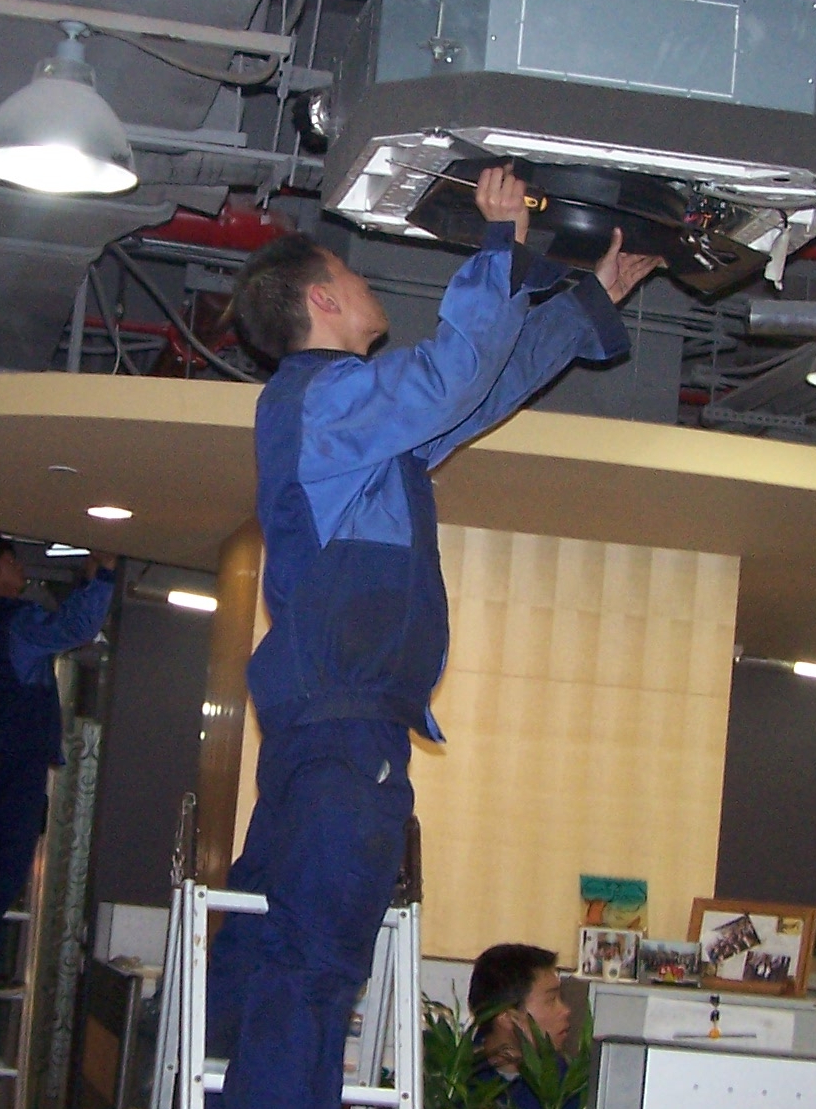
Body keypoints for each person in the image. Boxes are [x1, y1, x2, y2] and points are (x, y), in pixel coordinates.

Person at [205, 167, 661, 1106]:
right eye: (353, 275)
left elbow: (474, 392)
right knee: (316, 968)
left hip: (325, 734)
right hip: (344, 736)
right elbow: (453, 371)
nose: (370, 284)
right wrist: (495, 244)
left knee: (269, 949)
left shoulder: (350, 426)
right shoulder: (323, 400)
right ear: (322, 299)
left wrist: (585, 304)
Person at [0, 529, 115, 985]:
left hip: (11, 752)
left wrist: (90, 581)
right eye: (10, 561)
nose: (19, 567)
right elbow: (74, 628)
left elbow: (66, 628)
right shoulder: (16, 620)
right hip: (21, 753)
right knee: (6, 859)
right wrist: (103, 578)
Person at [469, 943, 579, 1109]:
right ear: (507, 1017)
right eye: (551, 1000)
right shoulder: (455, 1083)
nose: (566, 1011)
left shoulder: (570, 1082)